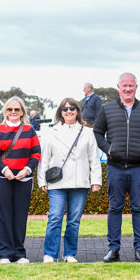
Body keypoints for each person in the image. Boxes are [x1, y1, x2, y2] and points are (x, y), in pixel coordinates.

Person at [93, 72, 140, 262]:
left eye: (131, 85)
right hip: (115, 167)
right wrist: (108, 149)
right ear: (118, 87)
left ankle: (139, 249)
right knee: (115, 208)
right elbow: (98, 133)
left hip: (138, 167)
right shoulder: (107, 109)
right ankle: (113, 249)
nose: (127, 89)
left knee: (138, 208)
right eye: (124, 85)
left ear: (136, 87)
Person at [38, 98, 102, 263]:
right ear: (60, 112)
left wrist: (96, 180)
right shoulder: (51, 132)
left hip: (79, 182)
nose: (68, 111)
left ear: (77, 111)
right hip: (57, 183)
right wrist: (42, 180)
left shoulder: (87, 132)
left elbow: (93, 159)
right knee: (55, 218)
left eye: (72, 108)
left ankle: (69, 254)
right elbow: (44, 158)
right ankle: (50, 254)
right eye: (65, 109)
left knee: (74, 220)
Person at [0, 96, 41, 264]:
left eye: (17, 109)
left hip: (24, 179)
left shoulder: (30, 130)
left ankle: (19, 254)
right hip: (2, 178)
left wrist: (27, 169)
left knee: (20, 217)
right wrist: (4, 169)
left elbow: (36, 154)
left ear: (22, 111)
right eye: (10, 109)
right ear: (6, 112)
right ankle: (4, 254)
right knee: (3, 216)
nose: (13, 112)